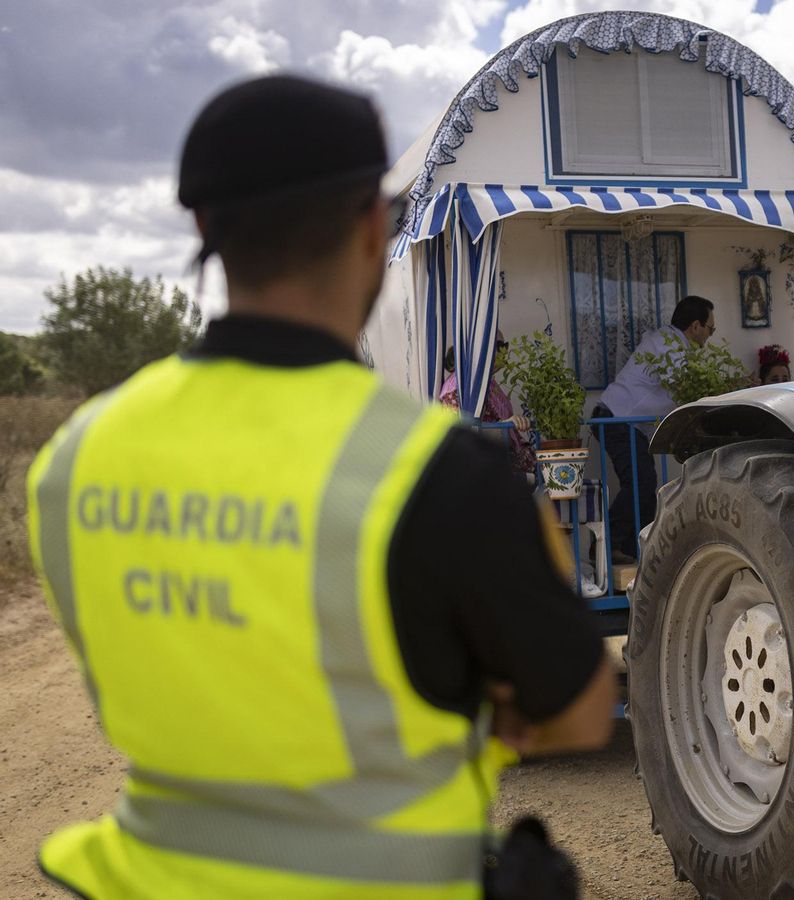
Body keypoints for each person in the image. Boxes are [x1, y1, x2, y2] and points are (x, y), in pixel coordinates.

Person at [26, 74, 613, 900]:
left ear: (204, 227)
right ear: (374, 228)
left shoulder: (74, 457)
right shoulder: (438, 470)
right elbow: (582, 711)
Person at [590, 296, 715, 561]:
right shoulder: (669, 347)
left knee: (646, 486)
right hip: (616, 421)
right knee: (641, 484)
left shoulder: (669, 343)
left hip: (626, 423)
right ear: (695, 326)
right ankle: (606, 547)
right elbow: (685, 389)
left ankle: (634, 551)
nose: (710, 336)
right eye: (710, 329)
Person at [438, 339, 537, 472]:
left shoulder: (486, 382)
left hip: (506, 459)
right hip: (489, 465)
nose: (504, 351)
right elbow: (460, 433)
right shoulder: (459, 386)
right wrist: (504, 426)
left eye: (505, 346)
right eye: (500, 346)